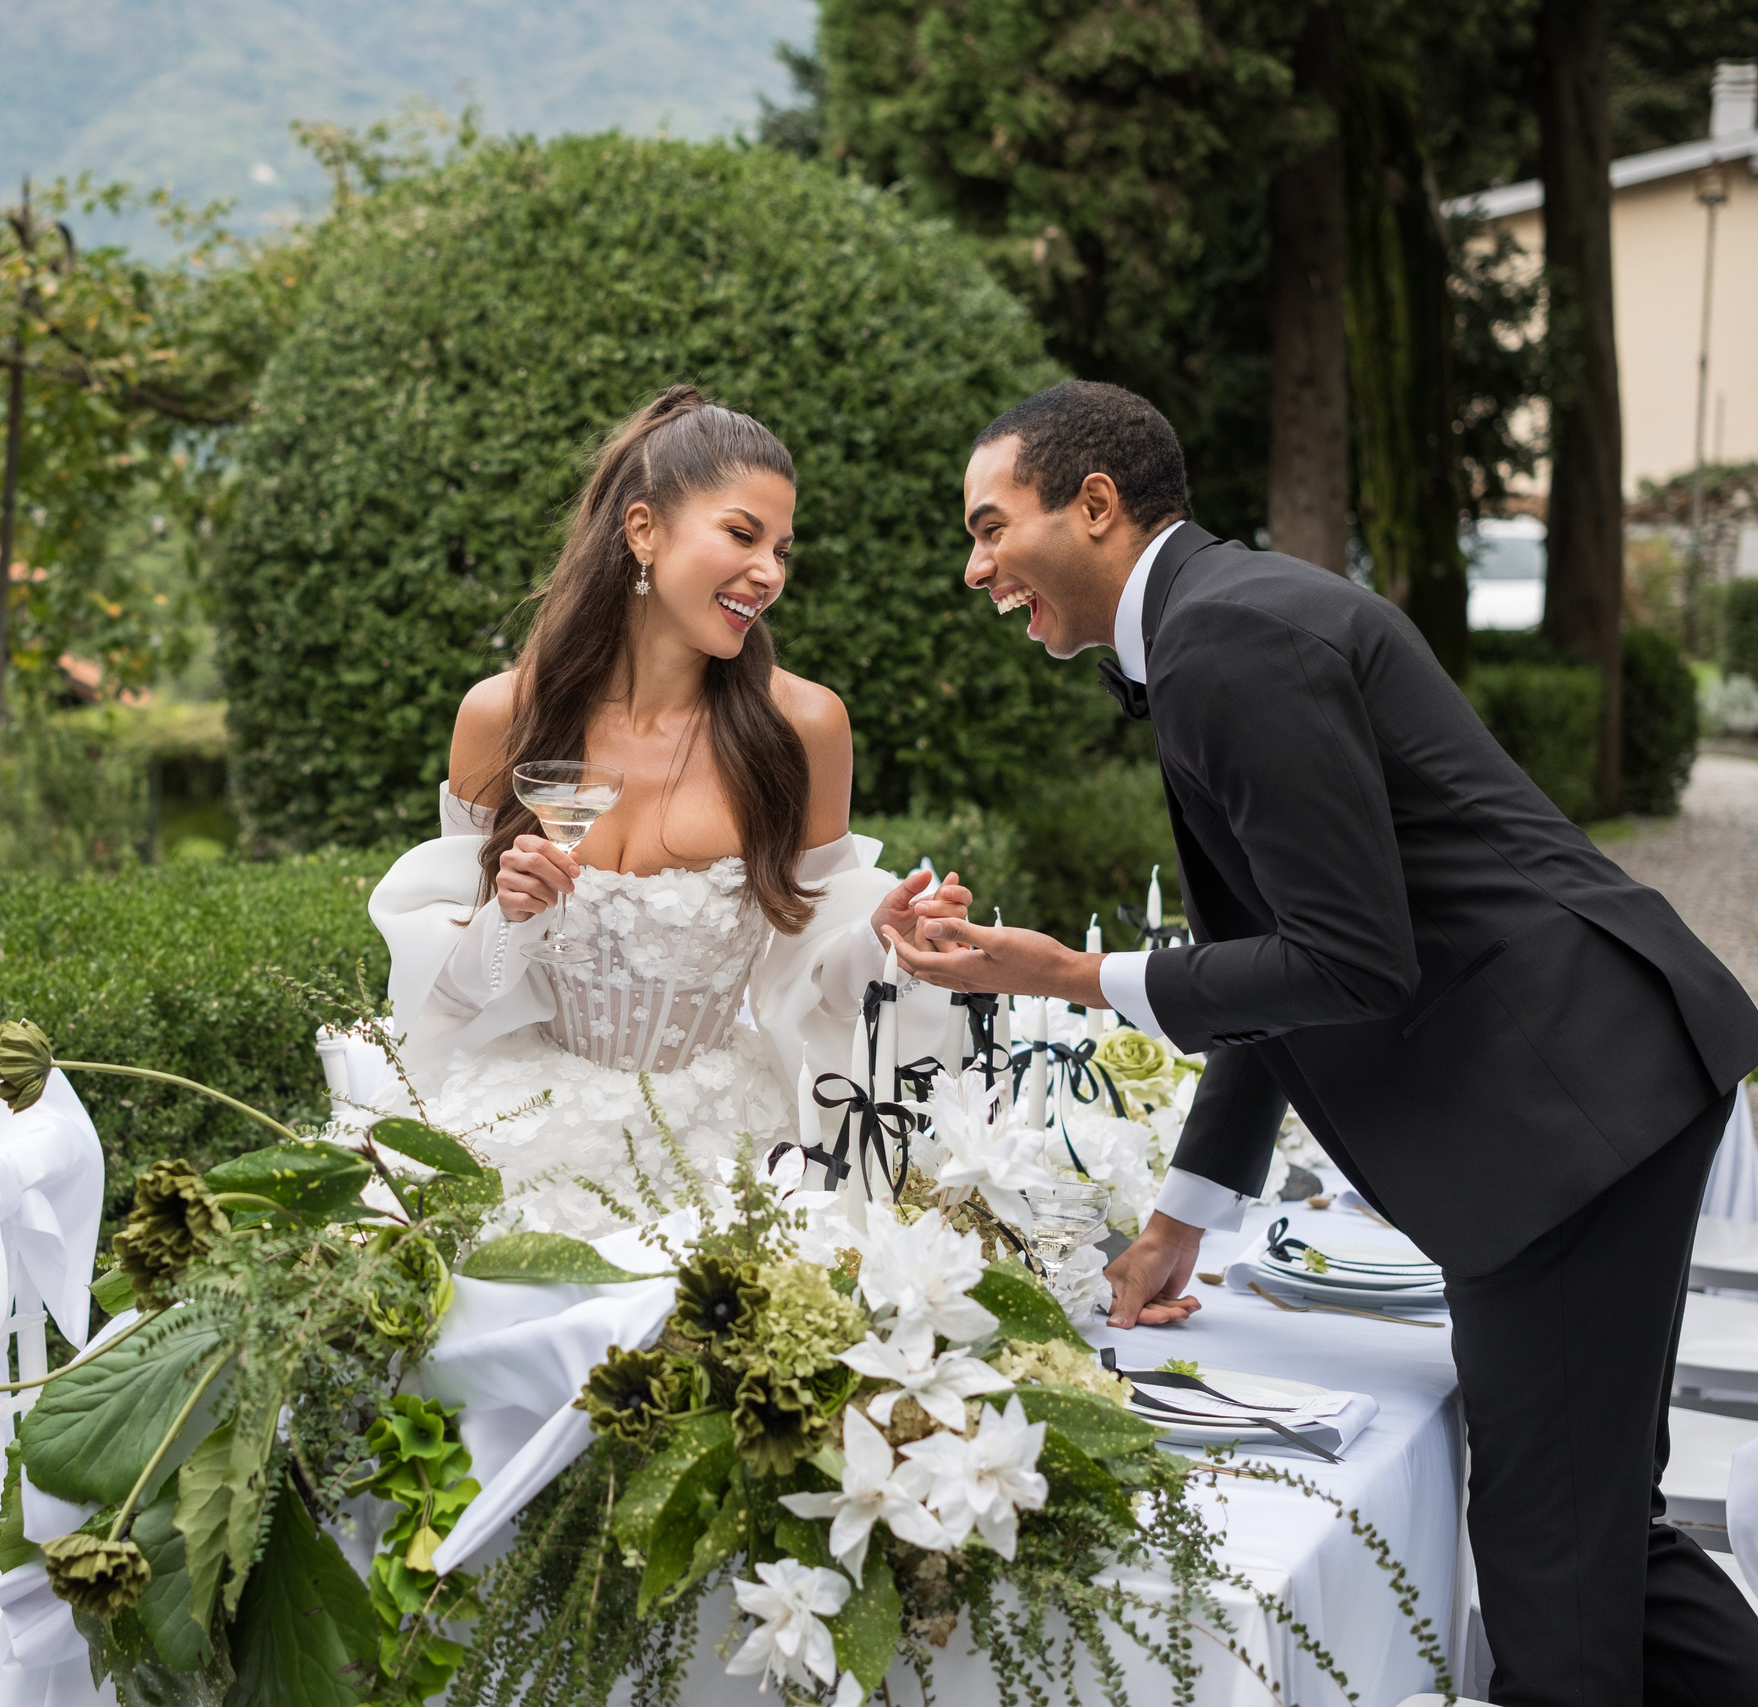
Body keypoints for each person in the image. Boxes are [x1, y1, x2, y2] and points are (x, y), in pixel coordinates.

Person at [891, 378, 1758, 1706]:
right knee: (1597, 1541)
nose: (975, 567)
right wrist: (1185, 1214)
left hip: (1566, 1104)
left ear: (1099, 504)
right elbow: (1289, 957)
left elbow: (1349, 961)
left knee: (1549, 1573)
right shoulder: (1224, 617)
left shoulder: (1227, 639)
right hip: (1602, 1072)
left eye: (991, 524)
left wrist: (1075, 973)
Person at [366, 386, 967, 1235]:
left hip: (727, 1152)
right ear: (643, 530)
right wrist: (509, 915)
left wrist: (883, 935)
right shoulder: (502, 717)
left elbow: (811, 979)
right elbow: (449, 996)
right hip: (525, 1131)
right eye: (742, 533)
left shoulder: (805, 727)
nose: (770, 572)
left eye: (783, 549)